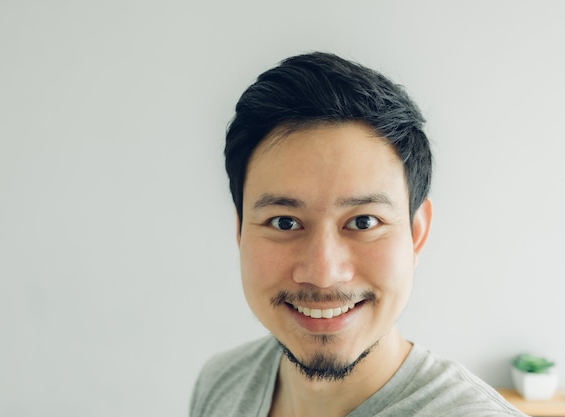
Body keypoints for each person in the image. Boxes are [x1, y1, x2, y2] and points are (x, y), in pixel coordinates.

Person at [190, 52, 527, 417]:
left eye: (364, 222)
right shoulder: (220, 383)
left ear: (416, 233)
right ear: (240, 229)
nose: (323, 272)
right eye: (284, 222)